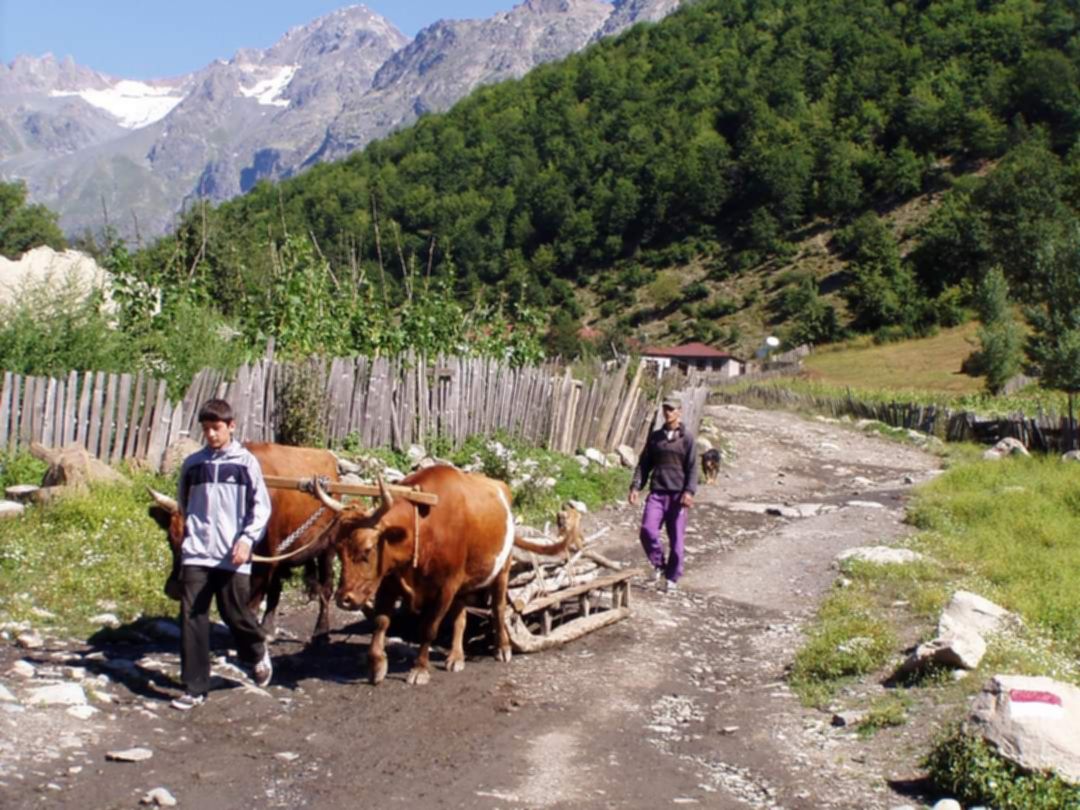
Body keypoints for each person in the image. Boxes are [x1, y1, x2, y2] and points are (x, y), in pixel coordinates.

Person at [170, 398, 273, 711]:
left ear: (231, 426)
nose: (211, 435)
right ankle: (195, 686)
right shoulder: (193, 465)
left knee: (235, 613)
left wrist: (246, 540)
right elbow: (183, 505)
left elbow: (261, 507)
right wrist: (189, 539)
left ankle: (256, 650)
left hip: (232, 554)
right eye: (206, 429)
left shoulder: (245, 464)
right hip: (198, 553)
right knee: (192, 617)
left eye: (216, 428)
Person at [628, 396, 697, 593]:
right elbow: (644, 464)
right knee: (647, 531)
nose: (668, 413)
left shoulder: (687, 439)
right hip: (657, 493)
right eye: (666, 409)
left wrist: (689, 491)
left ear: (680, 412)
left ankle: (672, 578)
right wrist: (635, 487)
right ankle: (659, 564)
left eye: (672, 409)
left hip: (677, 497)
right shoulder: (656, 438)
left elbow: (692, 468)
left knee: (677, 543)